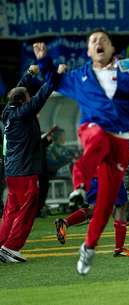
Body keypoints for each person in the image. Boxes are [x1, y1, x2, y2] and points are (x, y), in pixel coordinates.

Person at [34, 28, 129, 275]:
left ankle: (89, 247)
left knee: (106, 206)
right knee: (96, 138)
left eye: (103, 40)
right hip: (92, 129)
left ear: (111, 48)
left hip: (120, 140)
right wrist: (45, 62)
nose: (98, 43)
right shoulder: (79, 77)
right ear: (88, 51)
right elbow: (52, 81)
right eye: (93, 41)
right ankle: (79, 186)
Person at [0, 62, 62, 263]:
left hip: (12, 171)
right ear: (23, 102)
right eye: (27, 98)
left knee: (11, 211)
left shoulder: (8, 112)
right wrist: (57, 75)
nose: (29, 100)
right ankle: (11, 247)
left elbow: (17, 92)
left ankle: (2, 244)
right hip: (25, 172)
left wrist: (28, 73)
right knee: (27, 211)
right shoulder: (23, 114)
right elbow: (42, 95)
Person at [54, 177, 129, 257]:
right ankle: (119, 248)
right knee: (121, 207)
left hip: (92, 179)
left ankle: (65, 222)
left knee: (93, 209)